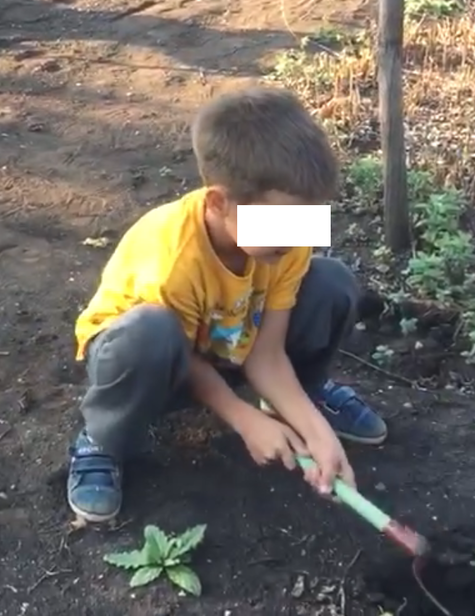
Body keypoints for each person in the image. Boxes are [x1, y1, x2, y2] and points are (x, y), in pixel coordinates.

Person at [66, 82, 388, 524]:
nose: (298, 237)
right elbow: (181, 355)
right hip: (151, 363)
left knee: (332, 283)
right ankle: (103, 439)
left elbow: (268, 352)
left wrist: (318, 433)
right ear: (218, 202)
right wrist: (240, 418)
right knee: (150, 334)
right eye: (282, 224)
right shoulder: (174, 256)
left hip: (230, 343)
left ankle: (300, 400)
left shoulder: (286, 236)